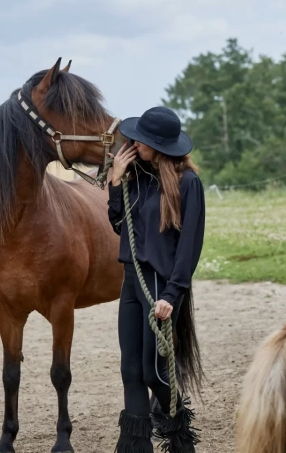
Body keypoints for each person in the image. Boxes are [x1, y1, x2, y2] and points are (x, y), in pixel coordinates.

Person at [107, 106, 205, 453]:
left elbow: (190, 245)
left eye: (140, 141)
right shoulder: (139, 179)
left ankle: (181, 440)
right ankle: (136, 447)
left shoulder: (188, 184)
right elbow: (120, 226)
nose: (132, 144)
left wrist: (173, 293)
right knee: (130, 370)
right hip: (132, 281)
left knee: (154, 373)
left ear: (158, 146)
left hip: (161, 287)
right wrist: (116, 182)